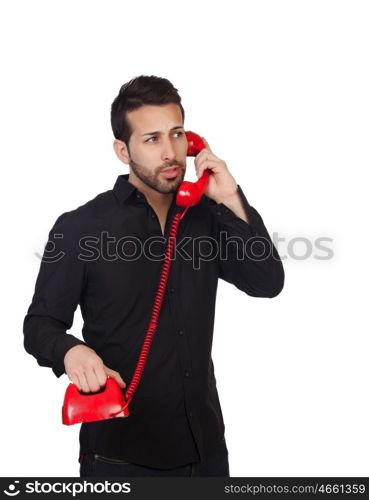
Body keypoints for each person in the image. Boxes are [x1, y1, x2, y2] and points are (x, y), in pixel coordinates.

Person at [23, 75, 285, 477]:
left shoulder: (208, 219)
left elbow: (267, 282)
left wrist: (230, 197)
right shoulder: (81, 227)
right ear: (122, 151)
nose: (171, 153)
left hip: (206, 451)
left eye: (177, 135)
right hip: (119, 457)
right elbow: (40, 325)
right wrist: (71, 352)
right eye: (152, 140)